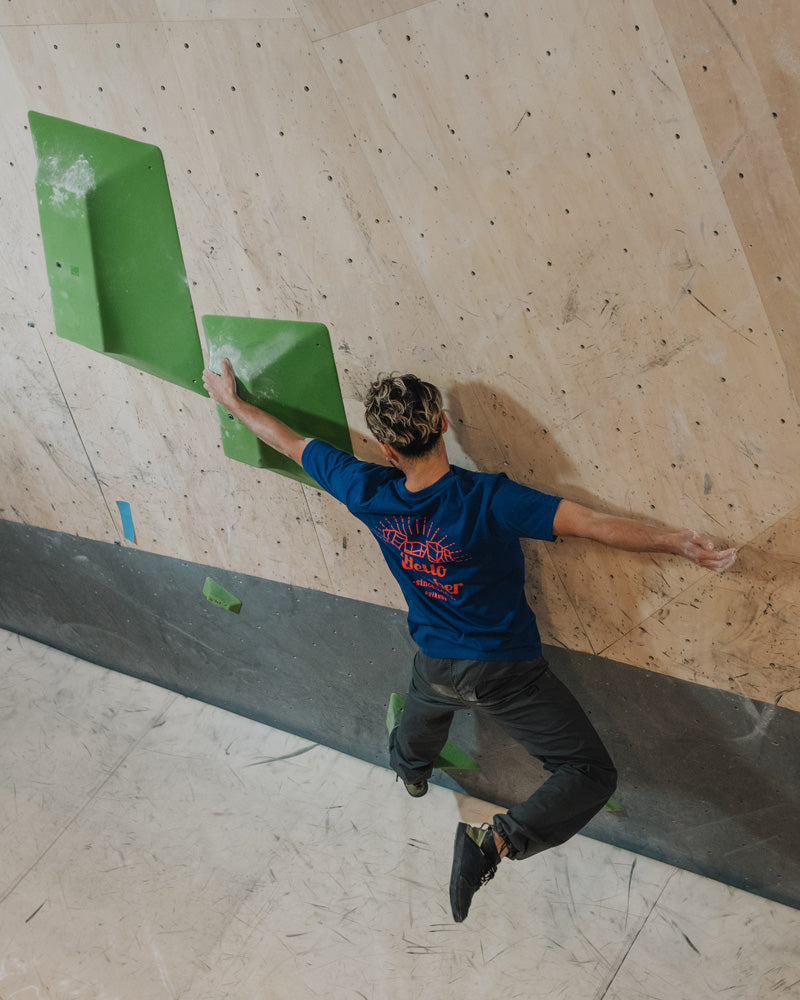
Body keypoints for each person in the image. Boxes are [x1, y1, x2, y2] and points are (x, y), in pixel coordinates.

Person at [202, 362, 737, 922]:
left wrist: (232, 401)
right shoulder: (490, 500)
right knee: (590, 773)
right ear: (442, 424)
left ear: (387, 450)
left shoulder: (366, 488)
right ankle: (496, 841)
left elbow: (288, 441)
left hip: (436, 664)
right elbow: (593, 523)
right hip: (506, 673)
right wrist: (677, 543)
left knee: (422, 717)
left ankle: (410, 773)